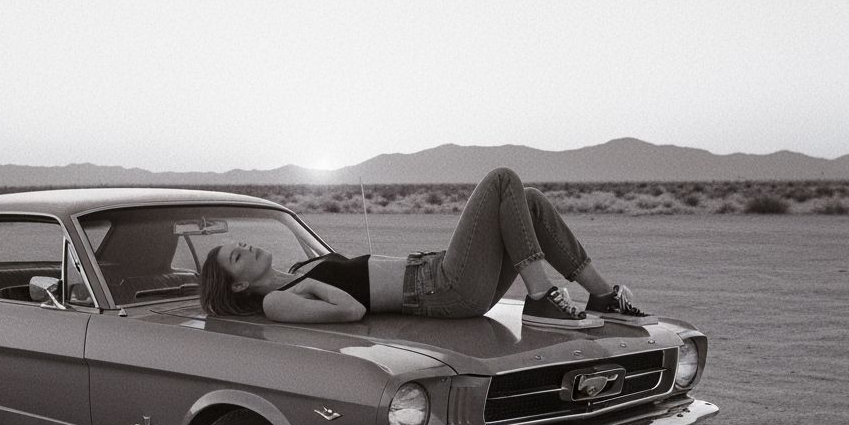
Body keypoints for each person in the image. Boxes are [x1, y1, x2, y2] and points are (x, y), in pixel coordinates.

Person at [200, 167, 654, 327]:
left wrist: (308, 279)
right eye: (237, 256)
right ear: (239, 286)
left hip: (438, 274)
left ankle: (603, 295)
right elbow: (351, 311)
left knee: (529, 201)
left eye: (239, 243)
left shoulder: (299, 266)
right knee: (501, 180)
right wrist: (305, 290)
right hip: (439, 290)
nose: (246, 247)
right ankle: (540, 296)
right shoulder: (279, 301)